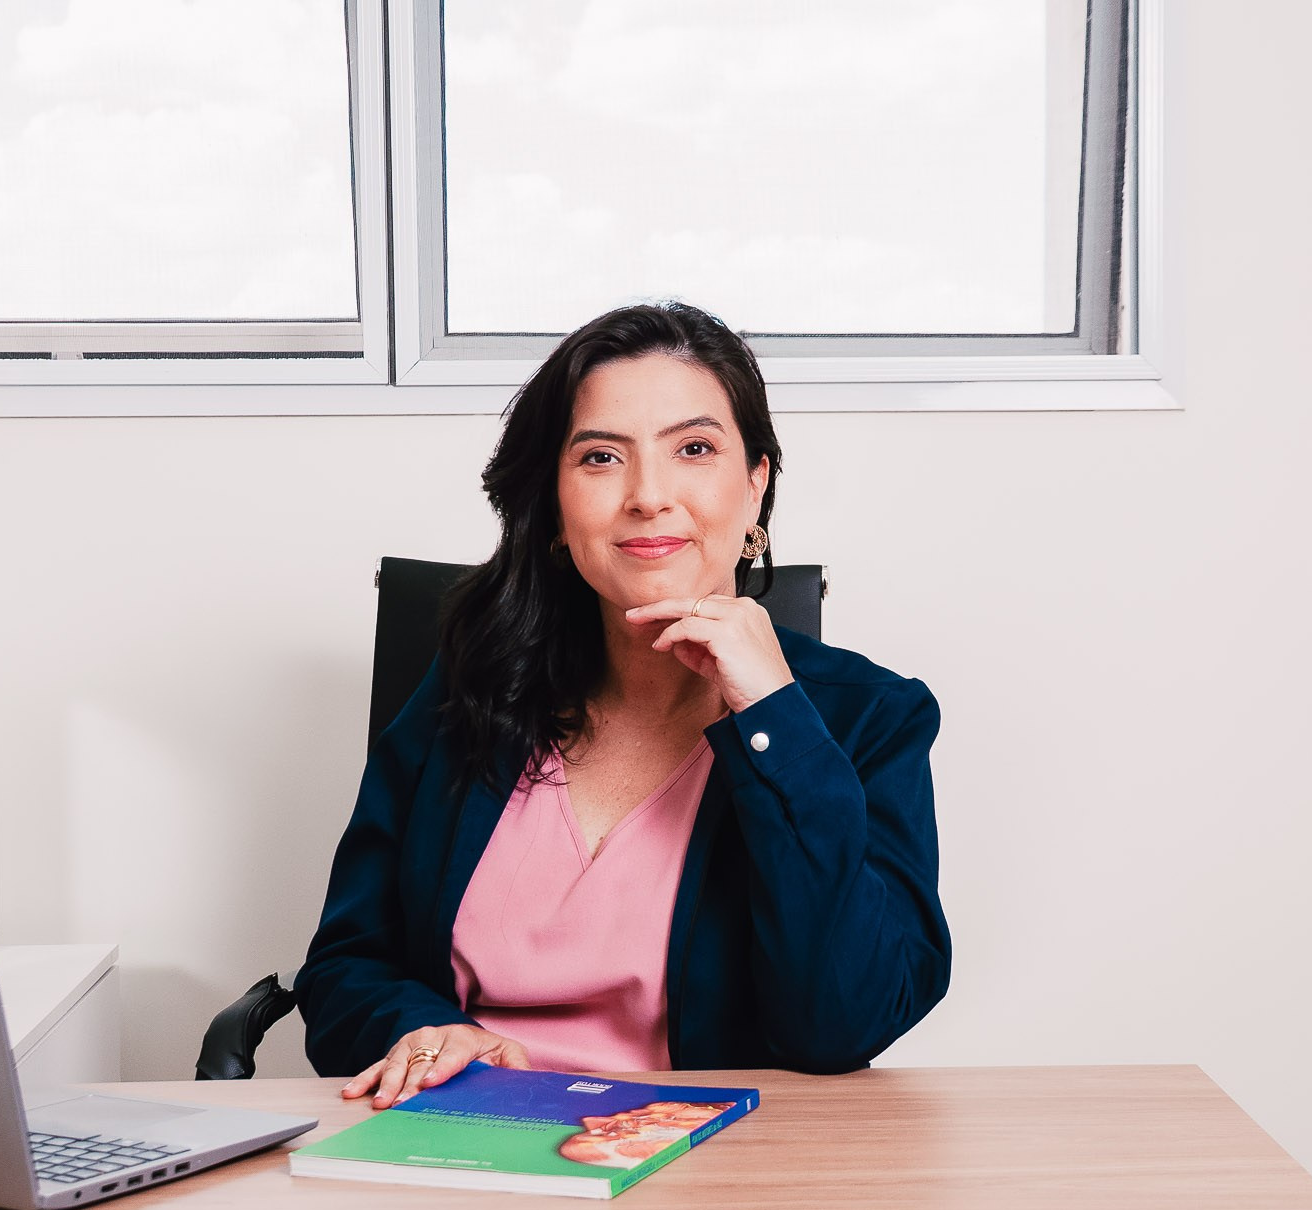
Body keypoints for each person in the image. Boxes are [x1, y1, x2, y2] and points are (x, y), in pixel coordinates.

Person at [296, 301, 948, 1109]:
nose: (649, 496)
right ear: (556, 511)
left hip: (717, 1174)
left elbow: (843, 1024)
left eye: (695, 450)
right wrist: (422, 1029)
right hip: (468, 1143)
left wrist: (774, 718)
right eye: (602, 457)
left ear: (754, 488)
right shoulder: (468, 691)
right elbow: (344, 965)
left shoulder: (868, 720)